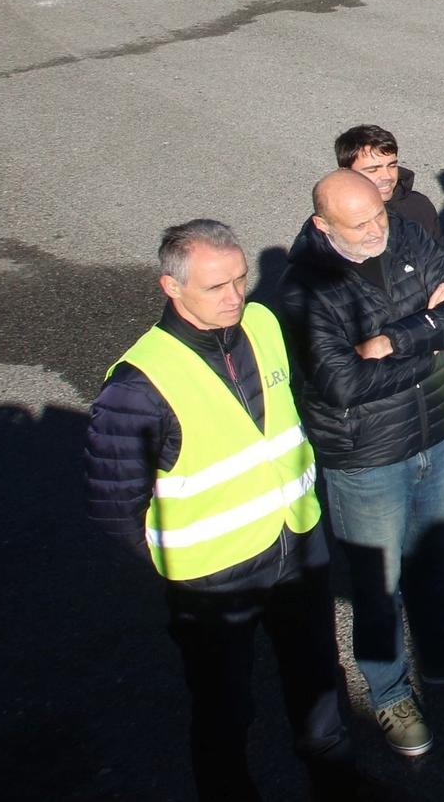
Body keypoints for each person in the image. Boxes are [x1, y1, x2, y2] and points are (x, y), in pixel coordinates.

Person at [89, 221, 359, 799]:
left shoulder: (261, 323)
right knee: (224, 703)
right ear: (171, 287)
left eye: (239, 279)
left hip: (297, 541)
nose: (235, 296)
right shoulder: (137, 386)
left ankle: (334, 778)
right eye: (216, 287)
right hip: (214, 578)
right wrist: (180, 567)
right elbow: (115, 509)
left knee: (316, 673)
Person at [276, 170, 444, 758]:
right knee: (380, 587)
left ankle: (442, 657)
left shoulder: (402, 232)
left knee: (431, 563)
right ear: (323, 226)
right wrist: (431, 343)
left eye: (379, 213)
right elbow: (343, 383)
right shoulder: (305, 288)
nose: (378, 228)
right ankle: (390, 693)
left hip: (437, 433)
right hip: (367, 458)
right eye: (361, 222)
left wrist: (392, 340)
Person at [336, 124, 444, 567]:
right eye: (371, 167)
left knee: (438, 456)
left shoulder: (418, 208)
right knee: (393, 463)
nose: (385, 175)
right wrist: (427, 317)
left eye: (390, 163)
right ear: (347, 172)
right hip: (381, 378)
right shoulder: (337, 229)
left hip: (434, 356)